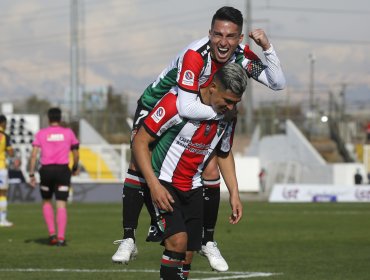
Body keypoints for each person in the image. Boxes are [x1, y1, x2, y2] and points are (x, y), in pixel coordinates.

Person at [112, 6, 285, 271]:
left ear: (240, 39)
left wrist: (267, 47)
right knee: (138, 154)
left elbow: (277, 82)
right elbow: (184, 106)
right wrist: (224, 115)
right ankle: (128, 236)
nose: (223, 42)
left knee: (212, 164)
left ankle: (208, 240)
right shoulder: (196, 55)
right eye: (217, 35)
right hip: (157, 102)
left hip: (204, 108)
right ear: (209, 33)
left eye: (230, 36)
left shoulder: (243, 56)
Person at [133, 63, 246, 279]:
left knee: (187, 255)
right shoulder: (176, 104)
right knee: (178, 241)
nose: (231, 107)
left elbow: (224, 152)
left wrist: (234, 193)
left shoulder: (228, 115)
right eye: (228, 101)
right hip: (164, 183)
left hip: (193, 187)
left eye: (236, 103)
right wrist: (154, 186)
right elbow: (140, 141)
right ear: (212, 87)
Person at [28, 107, 79, 246]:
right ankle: (61, 238)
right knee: (61, 204)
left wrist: (31, 173)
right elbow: (76, 153)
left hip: (46, 171)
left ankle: (52, 235)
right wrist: (75, 167)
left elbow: (33, 155)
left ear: (48, 118)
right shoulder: (68, 133)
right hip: (63, 171)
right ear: (60, 118)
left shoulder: (41, 133)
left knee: (46, 201)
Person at [0, 115, 14, 227]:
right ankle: (2, 220)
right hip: (1, 168)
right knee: (3, 194)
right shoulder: (5, 136)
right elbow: (11, 153)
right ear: (3, 123)